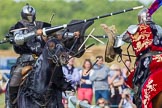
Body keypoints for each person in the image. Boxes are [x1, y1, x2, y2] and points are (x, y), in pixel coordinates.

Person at [114, 8, 162, 108]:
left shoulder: (135, 28)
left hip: (148, 62)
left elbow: (119, 42)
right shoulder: (159, 28)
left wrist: (115, 40)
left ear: (140, 18)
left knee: (136, 81)